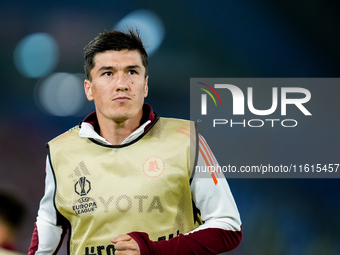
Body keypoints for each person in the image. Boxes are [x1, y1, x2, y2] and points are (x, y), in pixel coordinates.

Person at [28, 29, 242, 255]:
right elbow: (47, 234)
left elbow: (228, 227)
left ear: (145, 85)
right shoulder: (60, 151)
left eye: (132, 72)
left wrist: (154, 251)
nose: (122, 84)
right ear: (89, 89)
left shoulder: (187, 139)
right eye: (108, 73)